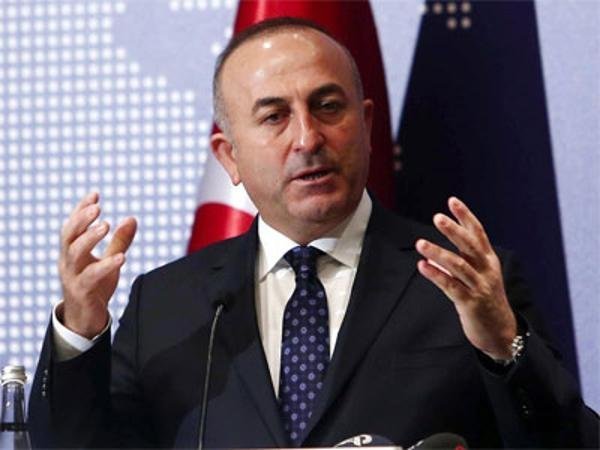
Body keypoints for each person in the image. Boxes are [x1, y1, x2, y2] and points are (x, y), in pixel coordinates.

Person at [29, 17, 598, 449]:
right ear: (229, 156)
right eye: (274, 116)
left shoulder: (464, 280)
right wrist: (80, 330)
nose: (307, 138)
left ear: (367, 125)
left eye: (327, 107)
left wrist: (502, 344)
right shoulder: (167, 305)